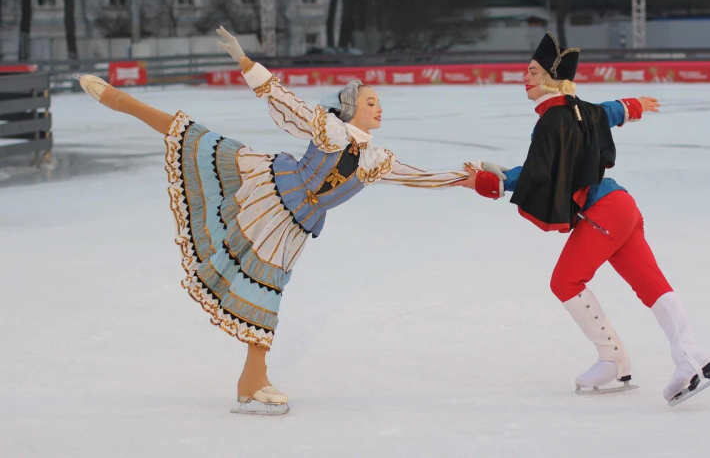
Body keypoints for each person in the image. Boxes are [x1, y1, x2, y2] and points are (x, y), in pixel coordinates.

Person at [74, 27, 469, 415]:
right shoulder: (330, 130)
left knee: (268, 290)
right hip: (271, 193)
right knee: (200, 142)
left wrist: (468, 179)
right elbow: (282, 99)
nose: (379, 108)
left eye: (378, 102)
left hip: (295, 227)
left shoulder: (375, 159)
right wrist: (247, 62)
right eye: (370, 102)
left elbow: (419, 176)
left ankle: (252, 379)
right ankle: (120, 99)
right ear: (350, 108)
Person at [454, 32, 710, 405]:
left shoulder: (552, 121)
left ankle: (613, 359)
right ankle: (692, 356)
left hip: (605, 212)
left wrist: (486, 182)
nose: (525, 77)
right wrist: (634, 105)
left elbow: (539, 174)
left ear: (550, 77)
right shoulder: (580, 108)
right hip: (624, 206)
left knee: (565, 281)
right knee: (651, 284)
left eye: (532, 71)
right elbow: (608, 112)